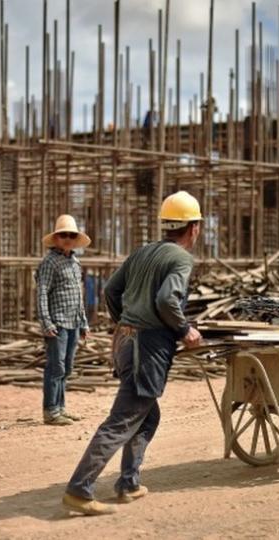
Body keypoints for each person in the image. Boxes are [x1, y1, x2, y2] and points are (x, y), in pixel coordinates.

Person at [61, 191, 204, 516]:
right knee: (122, 419)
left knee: (147, 415)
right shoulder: (181, 259)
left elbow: (112, 289)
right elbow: (168, 300)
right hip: (147, 348)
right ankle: (79, 490)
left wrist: (126, 322)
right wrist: (184, 330)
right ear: (193, 228)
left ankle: (129, 483)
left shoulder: (143, 252)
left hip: (125, 343)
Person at [36, 214, 92, 426]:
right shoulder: (49, 262)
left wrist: (84, 322)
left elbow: (79, 295)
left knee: (66, 367)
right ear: (56, 238)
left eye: (71, 235)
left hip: (73, 323)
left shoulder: (75, 262)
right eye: (63, 235)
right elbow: (41, 293)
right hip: (58, 323)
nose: (67, 238)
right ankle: (51, 410)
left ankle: (60, 408)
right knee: (55, 367)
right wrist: (46, 323)